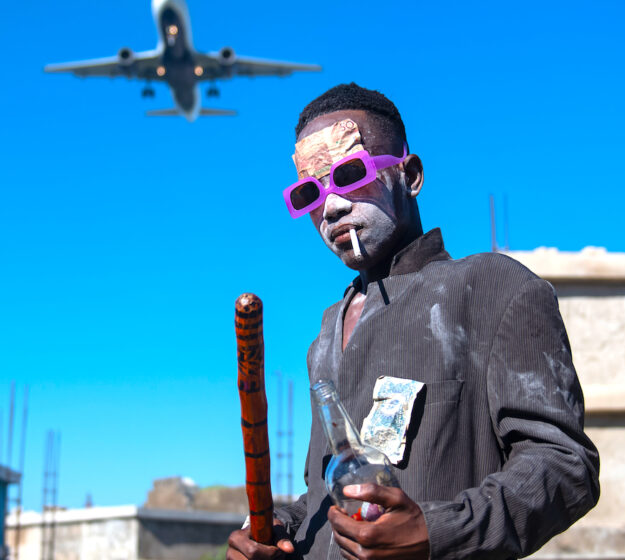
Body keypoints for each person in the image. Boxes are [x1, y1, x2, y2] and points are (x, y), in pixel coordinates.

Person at [227, 83, 600, 560]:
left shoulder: (491, 286)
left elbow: (565, 464)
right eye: (310, 193)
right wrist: (283, 530)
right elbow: (330, 494)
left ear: (411, 175)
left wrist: (436, 532)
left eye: (351, 174)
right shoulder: (325, 333)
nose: (332, 207)